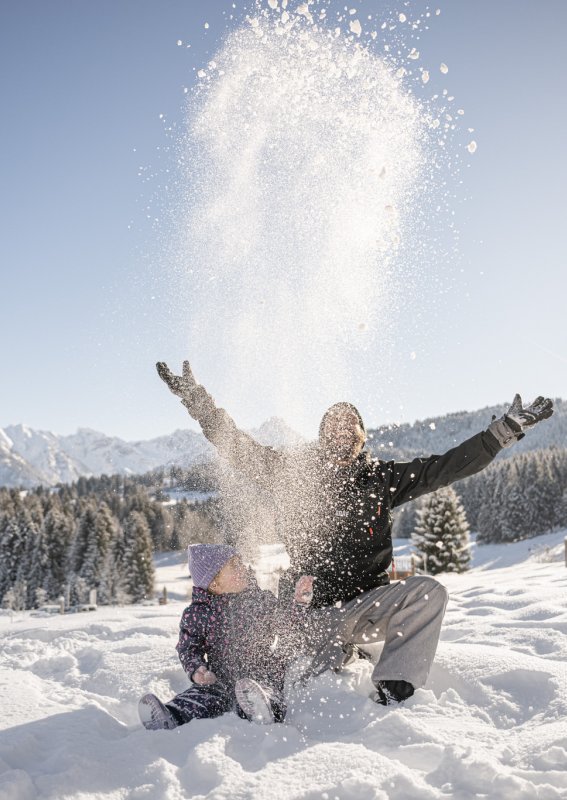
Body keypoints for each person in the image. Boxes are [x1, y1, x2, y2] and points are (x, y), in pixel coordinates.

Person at [156, 361, 553, 701]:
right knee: (307, 683)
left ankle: (393, 690)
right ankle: (326, 663)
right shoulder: (295, 476)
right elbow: (236, 445)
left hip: (367, 607)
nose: (342, 434)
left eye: (351, 428)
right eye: (334, 427)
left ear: (362, 436)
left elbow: (444, 468)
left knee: (430, 593)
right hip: (308, 615)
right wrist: (197, 401)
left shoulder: (382, 478)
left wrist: (501, 433)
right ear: (322, 435)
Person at [138, 543, 314, 730]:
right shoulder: (198, 614)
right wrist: (197, 670)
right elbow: (188, 647)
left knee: (267, 693)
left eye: (240, 562)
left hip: (262, 672)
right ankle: (170, 715)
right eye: (234, 566)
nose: (243, 568)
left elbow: (284, 624)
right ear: (215, 584)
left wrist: (299, 603)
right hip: (219, 678)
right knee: (197, 697)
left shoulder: (260, 601)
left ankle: (264, 710)